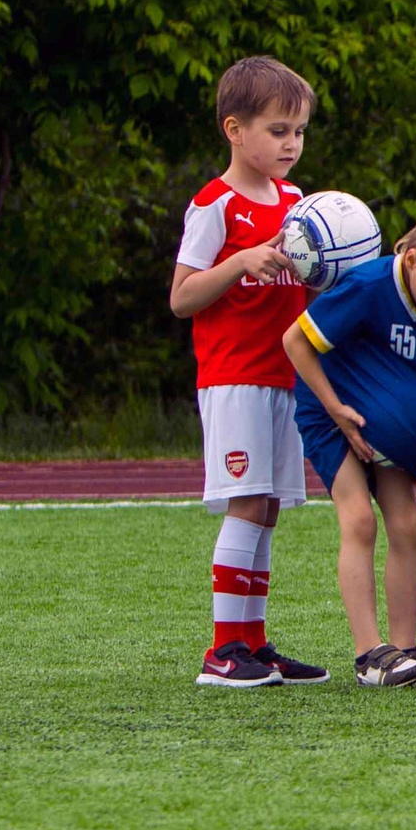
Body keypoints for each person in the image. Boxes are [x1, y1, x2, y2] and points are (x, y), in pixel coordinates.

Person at [282, 204, 416, 687]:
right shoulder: (367, 287)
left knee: (409, 522)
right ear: (414, 258)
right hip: (333, 417)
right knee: (358, 518)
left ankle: (406, 648)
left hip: (393, 435)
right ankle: (369, 655)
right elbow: (295, 341)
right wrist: (336, 408)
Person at [171, 56, 325, 688]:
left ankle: (254, 646)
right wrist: (238, 265)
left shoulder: (296, 204)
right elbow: (182, 297)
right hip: (234, 376)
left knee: (267, 508)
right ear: (235, 129)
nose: (291, 143)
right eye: (278, 130)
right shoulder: (215, 203)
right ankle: (222, 649)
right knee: (244, 506)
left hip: (284, 377)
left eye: (299, 131)